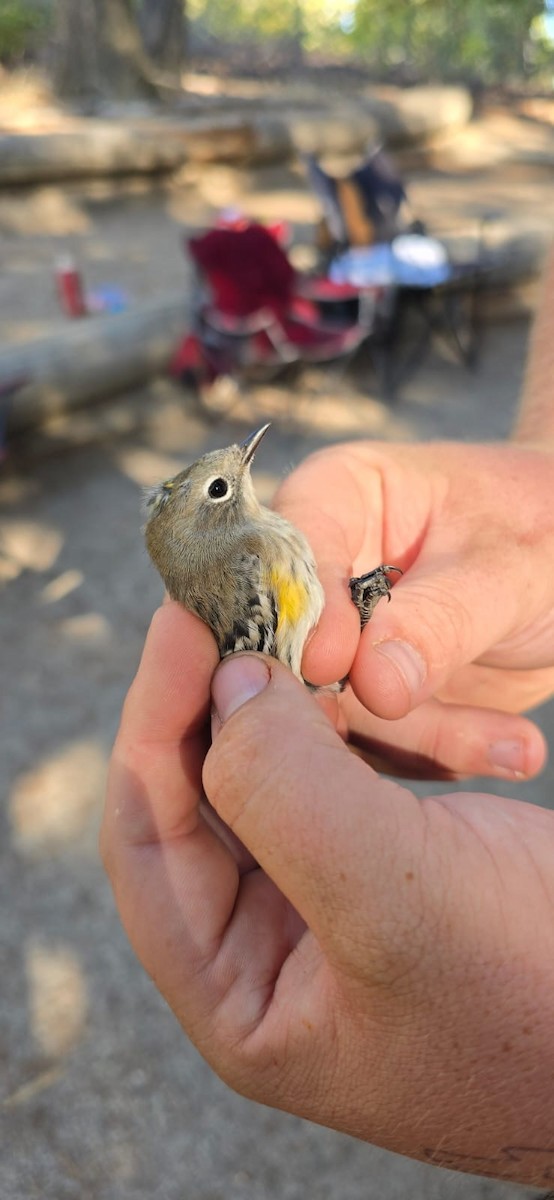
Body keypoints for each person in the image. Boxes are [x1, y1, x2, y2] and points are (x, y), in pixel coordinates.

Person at [101, 248, 554, 1187]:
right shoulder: (235, 567)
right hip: (299, 690)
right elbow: (277, 657)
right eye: (226, 487)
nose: (242, 469)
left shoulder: (250, 545)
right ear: (213, 526)